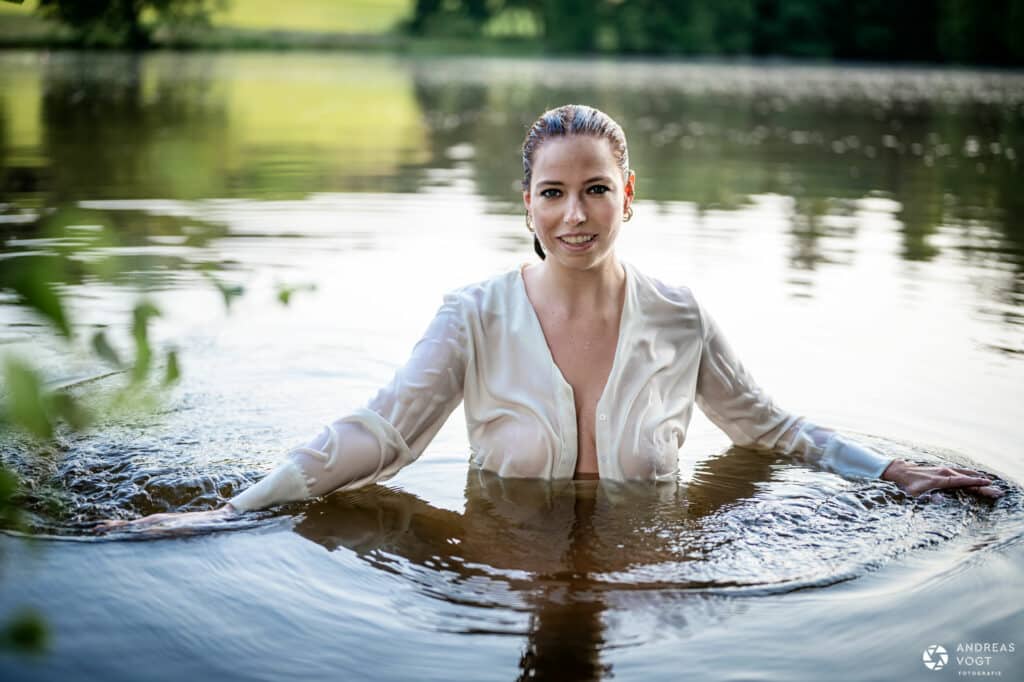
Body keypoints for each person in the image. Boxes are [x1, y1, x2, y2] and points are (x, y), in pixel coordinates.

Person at [99, 104, 1002, 533]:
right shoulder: (473, 316)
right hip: (505, 561)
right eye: (555, 193)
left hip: (641, 563)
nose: (576, 215)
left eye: (596, 191)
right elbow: (380, 434)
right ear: (525, 203)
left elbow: (769, 428)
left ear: (629, 195)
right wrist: (229, 510)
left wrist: (889, 470)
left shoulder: (680, 317)